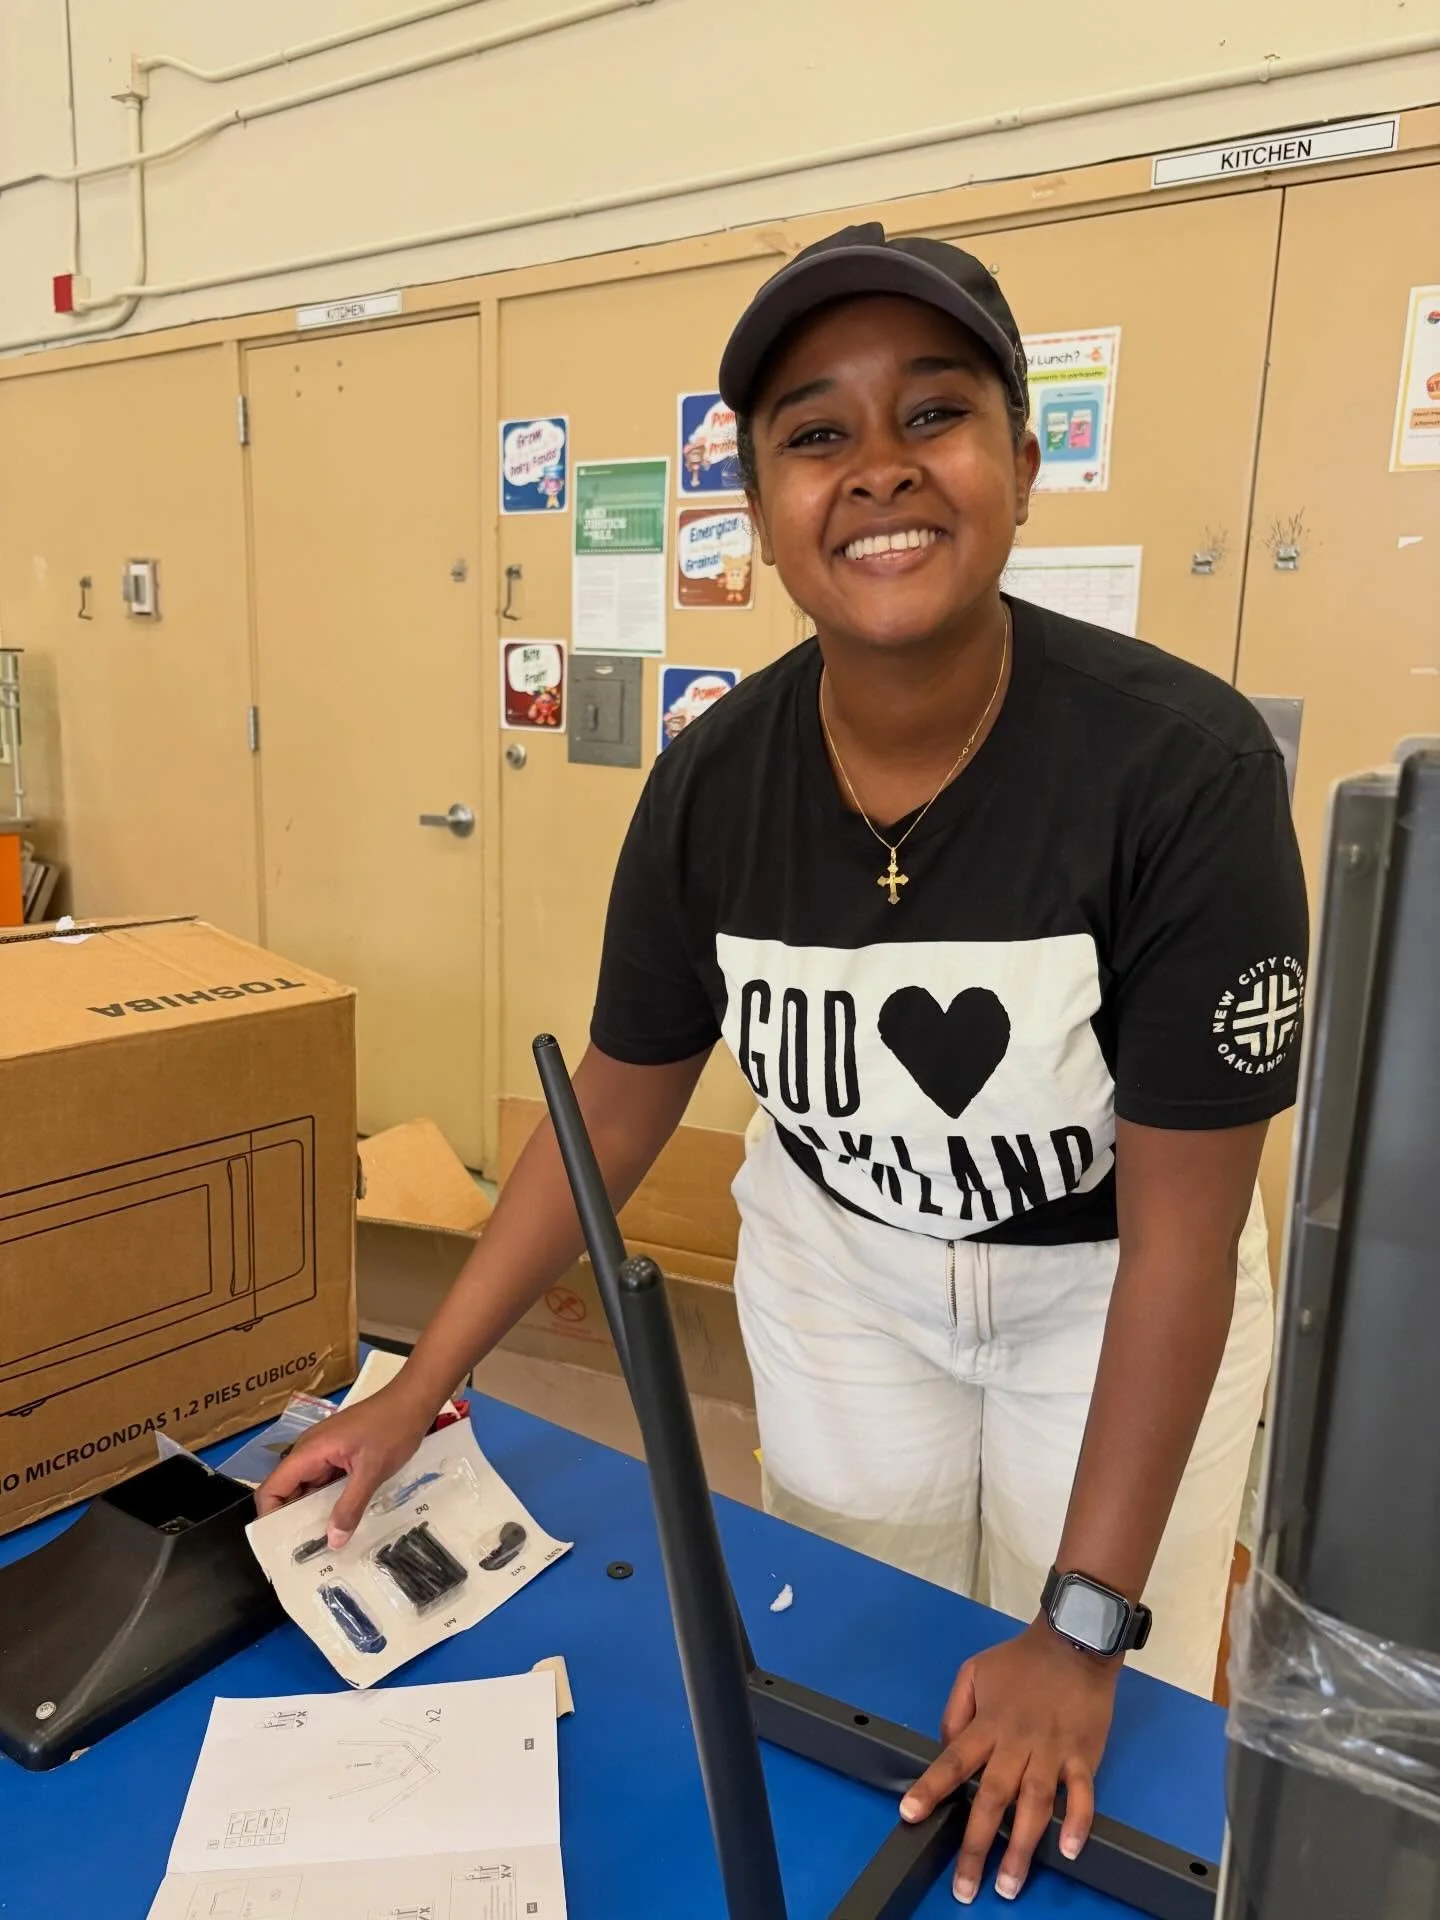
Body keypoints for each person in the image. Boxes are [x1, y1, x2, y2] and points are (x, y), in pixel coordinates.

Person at [261, 224, 1308, 1903]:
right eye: (816, 433)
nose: (879, 468)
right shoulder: (710, 788)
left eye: (936, 413)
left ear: (1026, 469)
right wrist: (412, 1384)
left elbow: (1186, 1229)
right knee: (878, 1693)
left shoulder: (1181, 777)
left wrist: (1087, 1621)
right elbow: (615, 1099)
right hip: (845, 1279)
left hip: (1108, 1290)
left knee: (1093, 1725)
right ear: (758, 514)